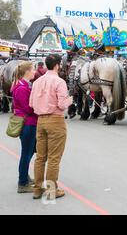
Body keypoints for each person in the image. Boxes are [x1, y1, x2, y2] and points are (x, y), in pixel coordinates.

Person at [29, 54, 73, 200]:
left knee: (40, 157)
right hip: (55, 120)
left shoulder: (37, 82)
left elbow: (31, 104)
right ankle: (51, 190)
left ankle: (37, 189)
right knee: (54, 158)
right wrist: (69, 100)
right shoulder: (59, 82)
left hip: (40, 121)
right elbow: (61, 104)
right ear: (57, 65)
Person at [11, 61, 38, 194]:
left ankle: (24, 175)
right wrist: (40, 106)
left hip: (30, 123)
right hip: (28, 123)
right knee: (26, 154)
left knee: (30, 151)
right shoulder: (22, 88)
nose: (35, 71)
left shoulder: (24, 85)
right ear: (27, 71)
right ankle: (22, 183)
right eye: (33, 69)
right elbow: (28, 108)